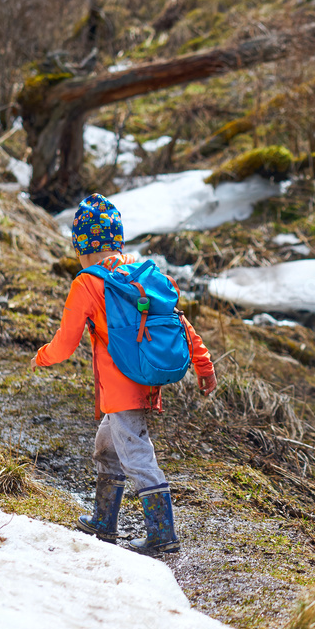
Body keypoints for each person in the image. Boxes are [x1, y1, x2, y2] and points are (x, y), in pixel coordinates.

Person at [29, 193, 217, 555]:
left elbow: (65, 343)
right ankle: (104, 520)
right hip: (144, 380)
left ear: (81, 246)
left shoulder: (87, 282)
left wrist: (42, 357)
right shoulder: (140, 274)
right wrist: (203, 364)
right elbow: (178, 321)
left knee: (136, 455)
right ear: (118, 240)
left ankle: (162, 534)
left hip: (121, 388)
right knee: (107, 447)